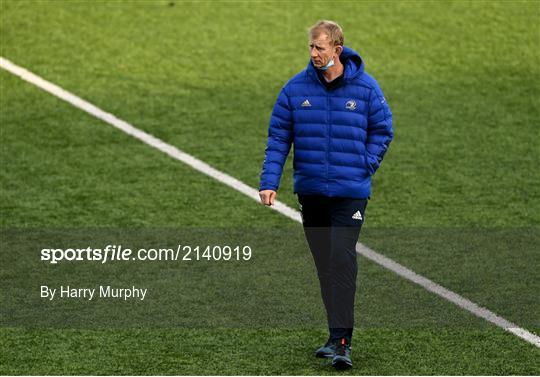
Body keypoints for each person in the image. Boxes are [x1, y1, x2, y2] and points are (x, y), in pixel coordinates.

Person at [259, 20, 393, 369]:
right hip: (312, 192)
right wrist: (268, 181)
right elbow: (278, 138)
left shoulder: (365, 88)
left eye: (319, 47)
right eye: (311, 47)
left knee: (341, 258)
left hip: (350, 193)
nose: (313, 53)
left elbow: (383, 129)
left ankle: (344, 342)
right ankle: (334, 336)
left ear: (337, 48)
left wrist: (366, 164)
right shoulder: (294, 89)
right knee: (324, 265)